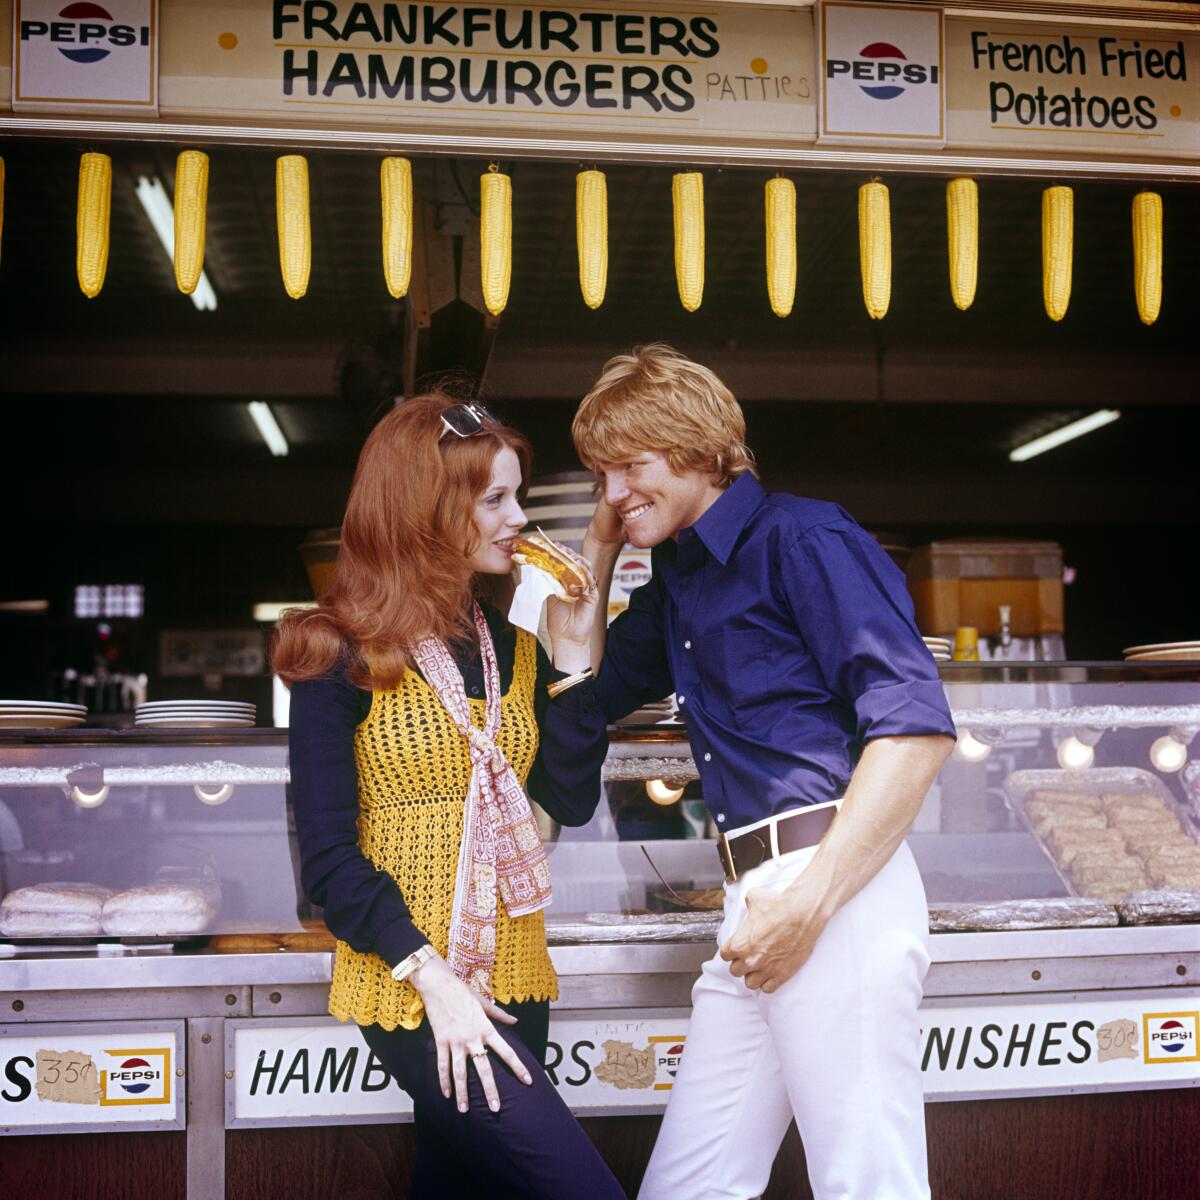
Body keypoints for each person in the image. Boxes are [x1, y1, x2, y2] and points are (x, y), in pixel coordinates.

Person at [572, 345, 956, 1200]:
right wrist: (598, 548)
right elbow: (578, 695)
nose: (613, 491)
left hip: (832, 892)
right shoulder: (678, 576)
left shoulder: (804, 535)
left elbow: (917, 733)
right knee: (688, 1187)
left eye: (630, 466)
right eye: (599, 474)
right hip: (758, 902)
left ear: (700, 451)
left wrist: (810, 904)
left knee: (869, 1184)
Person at [274, 393, 625, 1200]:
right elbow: (328, 864)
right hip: (413, 983)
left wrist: (573, 663)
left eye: (517, 495)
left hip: (514, 972)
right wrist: (438, 985)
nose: (519, 519)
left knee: (464, 1184)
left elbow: (566, 802)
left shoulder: (518, 650)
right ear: (427, 509)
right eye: (496, 498)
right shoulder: (335, 650)